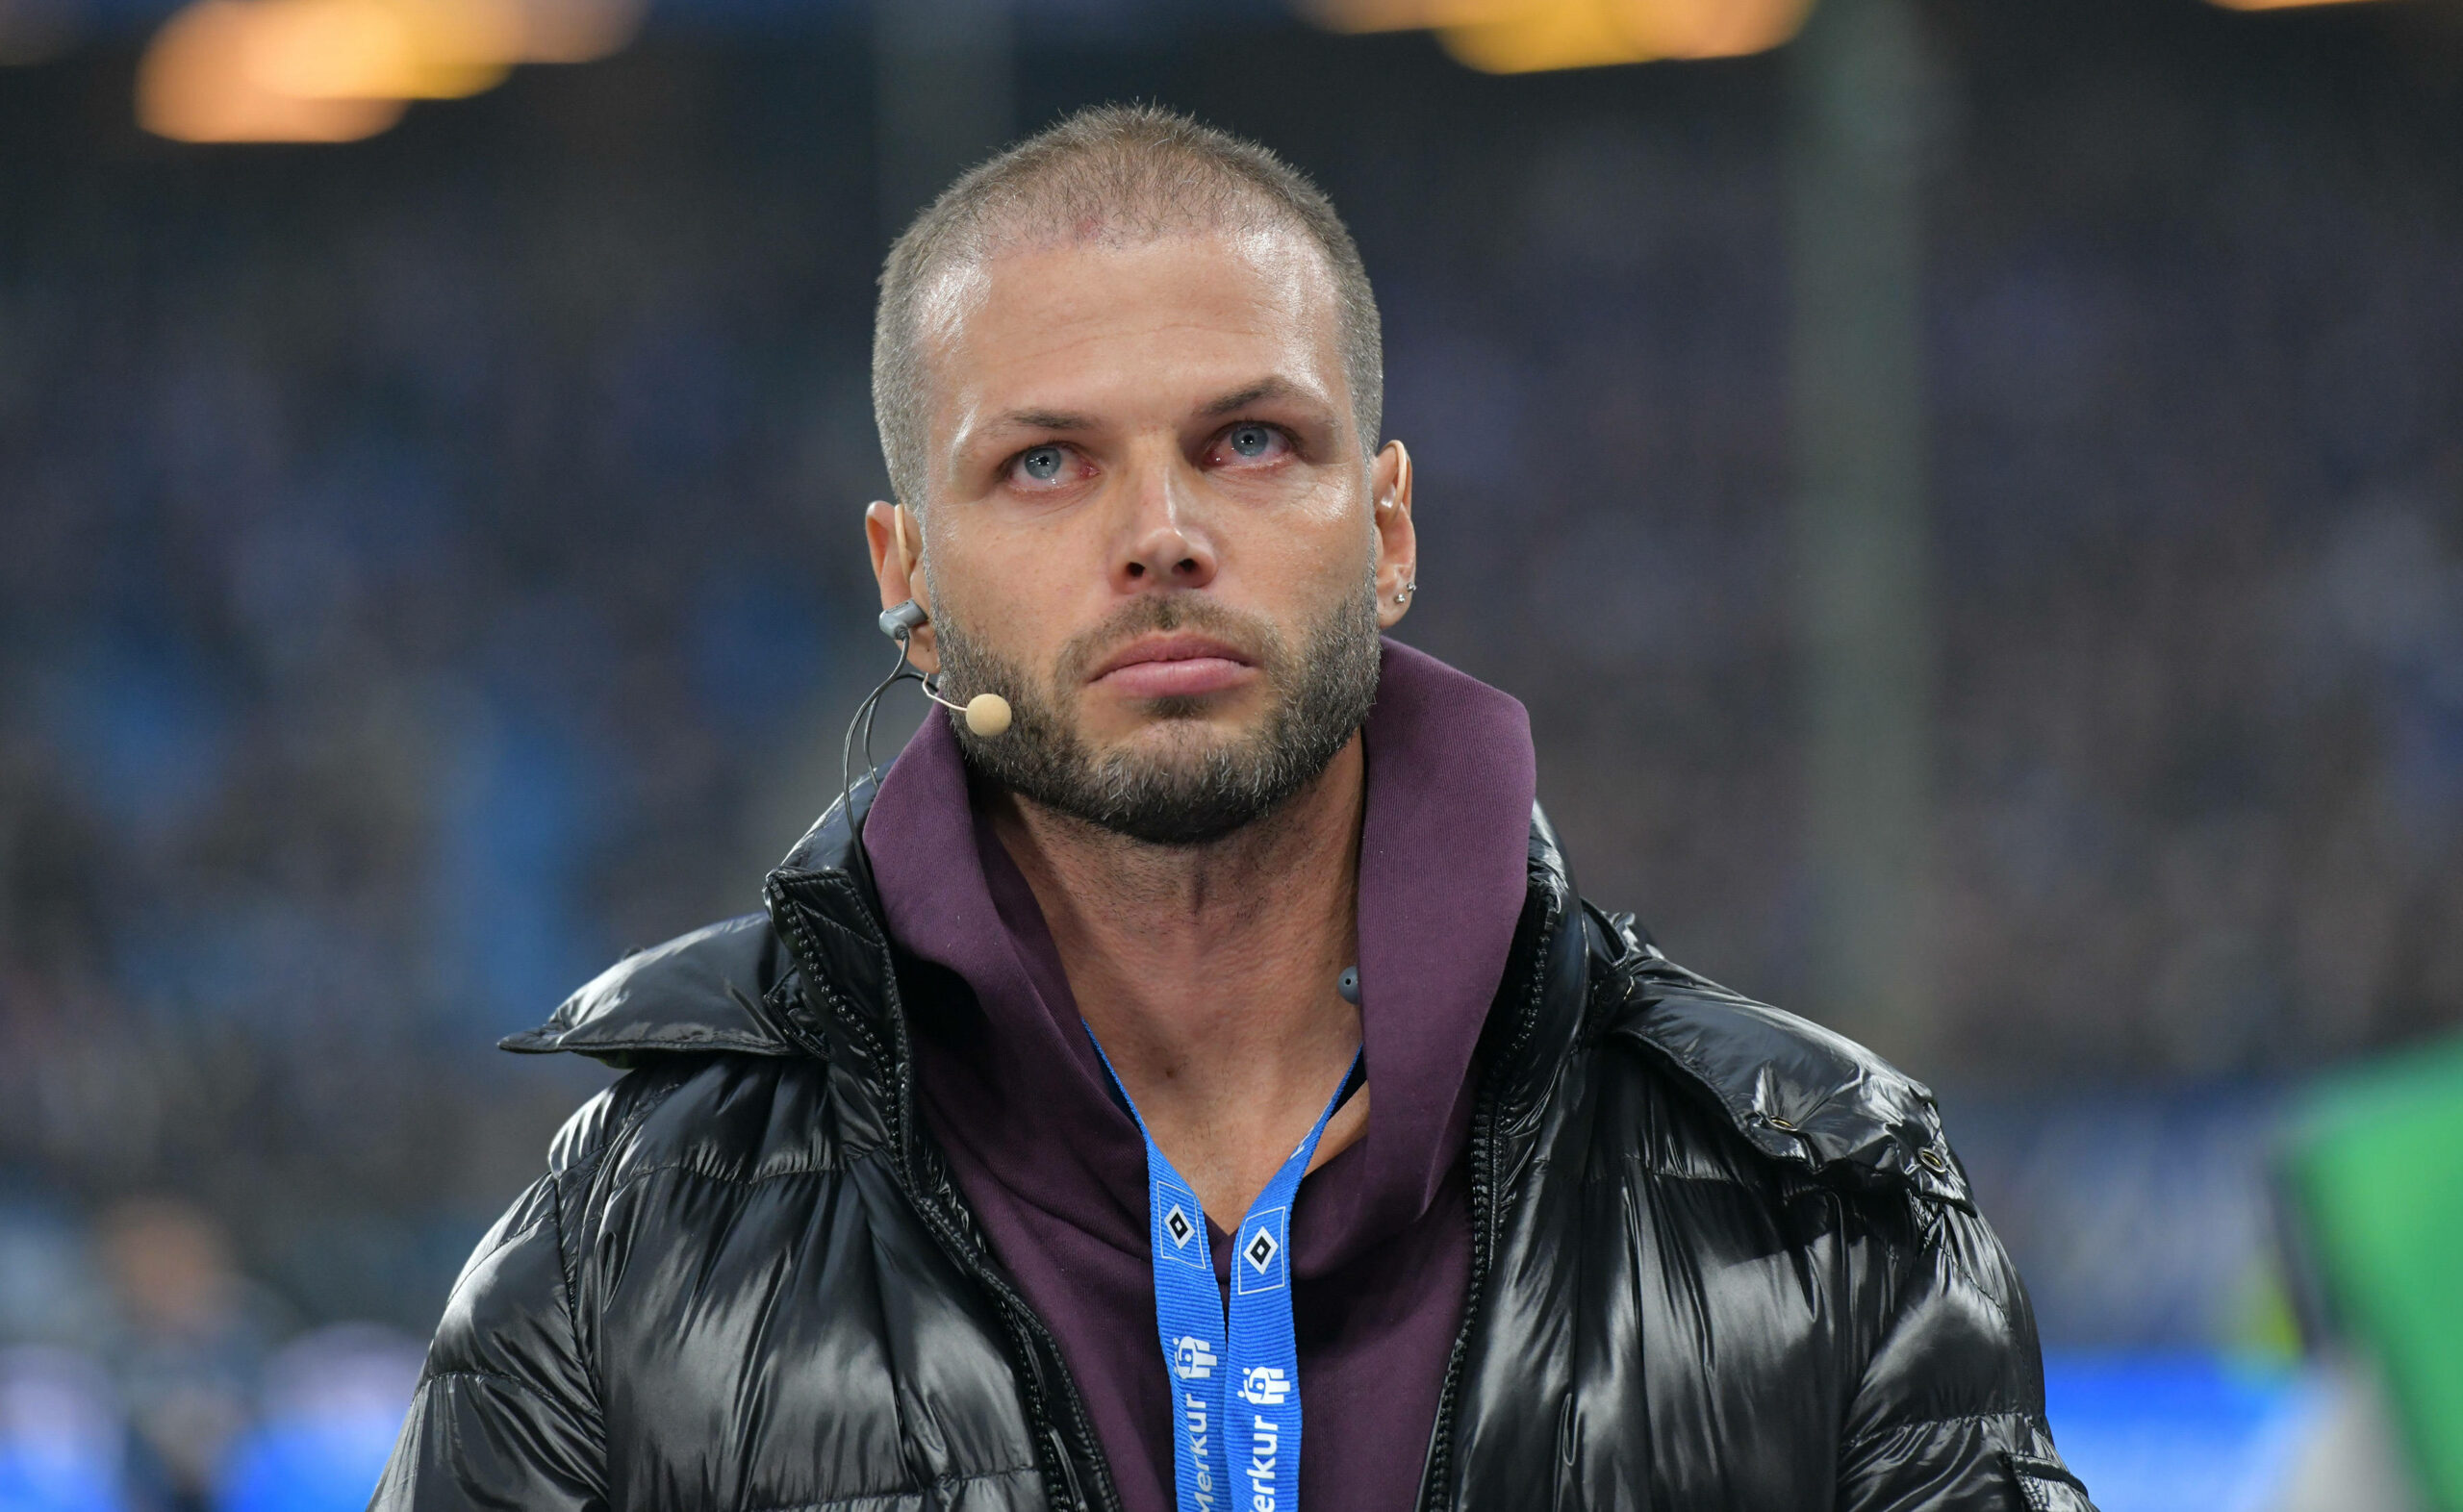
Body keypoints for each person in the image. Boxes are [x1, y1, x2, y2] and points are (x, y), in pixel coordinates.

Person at [373, 105, 2095, 1512]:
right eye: (1044, 463)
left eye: (1253, 441)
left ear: (1391, 526)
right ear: (906, 574)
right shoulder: (640, 1230)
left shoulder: (1822, 1208)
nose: (1163, 533)